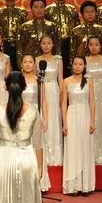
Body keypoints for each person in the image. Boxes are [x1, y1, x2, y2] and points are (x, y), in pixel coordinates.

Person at [0, 71, 43, 203]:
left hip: (3, 161)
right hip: (27, 160)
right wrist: (40, 167)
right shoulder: (33, 111)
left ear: (5, 87)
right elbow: (38, 142)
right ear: (24, 87)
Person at [61, 56, 95, 195]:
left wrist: (92, 120)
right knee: (73, 147)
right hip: (72, 114)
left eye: (80, 64)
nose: (77, 66)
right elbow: (64, 103)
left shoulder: (89, 81)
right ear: (72, 65)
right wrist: (64, 122)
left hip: (85, 114)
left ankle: (85, 185)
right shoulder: (66, 81)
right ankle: (73, 185)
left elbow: (92, 102)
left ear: (84, 66)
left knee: (85, 147)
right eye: (75, 64)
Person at [20, 54, 50, 192]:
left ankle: (38, 181)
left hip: (36, 115)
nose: (28, 64)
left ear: (34, 64)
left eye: (30, 62)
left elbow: (43, 101)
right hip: (21, 116)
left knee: (36, 146)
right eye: (25, 62)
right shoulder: (18, 80)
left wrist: (45, 118)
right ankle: (23, 181)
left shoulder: (39, 81)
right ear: (21, 64)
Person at [36, 35, 63, 166]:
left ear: (53, 45)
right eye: (43, 43)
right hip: (40, 90)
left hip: (54, 91)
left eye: (49, 43)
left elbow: (61, 80)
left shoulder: (58, 60)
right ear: (40, 45)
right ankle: (42, 154)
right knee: (42, 119)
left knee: (53, 120)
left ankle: (54, 156)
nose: (46, 46)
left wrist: (62, 97)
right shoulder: (36, 60)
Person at [84, 36, 102, 165]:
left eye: (96, 44)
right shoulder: (84, 60)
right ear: (87, 46)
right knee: (91, 118)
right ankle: (91, 153)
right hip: (88, 91)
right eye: (91, 44)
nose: (94, 47)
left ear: (101, 46)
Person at [45, 0, 80, 77]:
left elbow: (77, 29)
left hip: (69, 43)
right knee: (55, 67)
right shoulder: (48, 9)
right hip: (54, 43)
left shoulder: (72, 9)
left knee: (69, 67)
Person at [0, 0, 28, 70]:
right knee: (3, 69)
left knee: (19, 69)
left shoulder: (22, 12)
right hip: (3, 45)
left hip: (18, 45)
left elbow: (25, 32)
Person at [17, 0, 60, 64]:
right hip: (30, 63)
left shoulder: (52, 26)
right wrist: (21, 65)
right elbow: (19, 49)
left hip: (49, 63)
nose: (39, 10)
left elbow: (57, 48)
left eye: (41, 7)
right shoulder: (24, 27)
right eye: (36, 7)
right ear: (31, 9)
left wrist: (57, 63)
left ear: (45, 9)